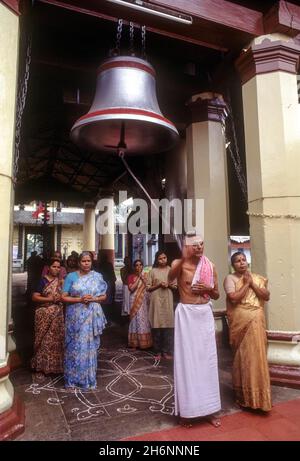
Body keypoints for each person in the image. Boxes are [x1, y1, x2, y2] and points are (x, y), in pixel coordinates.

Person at [168, 234, 221, 427]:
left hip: (204, 313)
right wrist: (182, 258)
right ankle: (187, 412)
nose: (199, 248)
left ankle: (210, 409)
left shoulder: (210, 265)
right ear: (188, 247)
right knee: (187, 362)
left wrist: (208, 287)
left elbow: (216, 294)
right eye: (194, 245)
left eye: (201, 244)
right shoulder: (179, 264)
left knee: (207, 361)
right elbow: (170, 278)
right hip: (187, 314)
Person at [224, 251, 272, 412]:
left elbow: (266, 296)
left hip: (256, 323)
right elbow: (234, 298)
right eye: (237, 261)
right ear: (233, 265)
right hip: (240, 325)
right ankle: (244, 397)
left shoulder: (257, 278)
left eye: (243, 260)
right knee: (243, 358)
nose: (241, 263)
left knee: (257, 357)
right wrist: (246, 283)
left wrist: (252, 283)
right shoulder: (230, 279)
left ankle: (260, 398)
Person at [61, 251, 107, 389]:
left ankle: (88, 378)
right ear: (78, 262)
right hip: (74, 316)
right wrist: (79, 299)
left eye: (89, 261)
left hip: (90, 316)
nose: (86, 263)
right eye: (83, 261)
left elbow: (104, 296)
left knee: (88, 346)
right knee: (73, 346)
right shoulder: (71, 276)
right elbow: (63, 296)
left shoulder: (97, 277)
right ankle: (72, 378)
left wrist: (93, 299)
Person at [31, 258, 64, 380]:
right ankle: (41, 367)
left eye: (58, 267)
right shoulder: (42, 281)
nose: (56, 269)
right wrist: (50, 300)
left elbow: (64, 295)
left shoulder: (60, 281)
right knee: (43, 341)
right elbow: (35, 297)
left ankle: (55, 368)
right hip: (43, 313)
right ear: (48, 268)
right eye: (54, 266)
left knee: (55, 341)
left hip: (57, 315)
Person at [147, 251, 176, 360]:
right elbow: (148, 288)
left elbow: (176, 287)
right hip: (156, 301)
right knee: (157, 325)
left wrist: (168, 285)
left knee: (168, 325)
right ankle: (157, 352)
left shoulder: (171, 271)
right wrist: (159, 285)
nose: (163, 260)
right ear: (156, 260)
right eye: (160, 258)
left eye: (164, 258)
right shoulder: (152, 271)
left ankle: (166, 351)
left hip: (167, 300)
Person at [128, 259, 152, 350]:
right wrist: (138, 278)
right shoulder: (131, 277)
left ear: (142, 266)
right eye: (136, 265)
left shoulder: (146, 276)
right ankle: (134, 343)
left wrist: (143, 278)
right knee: (134, 319)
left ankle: (144, 343)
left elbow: (149, 287)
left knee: (143, 319)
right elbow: (131, 289)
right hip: (134, 300)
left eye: (140, 265)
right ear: (134, 267)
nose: (138, 267)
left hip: (144, 300)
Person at [96, 252, 117, 323]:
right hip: (107, 284)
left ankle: (103, 319)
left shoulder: (99, 265)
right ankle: (107, 319)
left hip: (104, 284)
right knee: (107, 303)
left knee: (103, 303)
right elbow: (113, 277)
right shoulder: (107, 265)